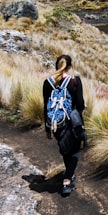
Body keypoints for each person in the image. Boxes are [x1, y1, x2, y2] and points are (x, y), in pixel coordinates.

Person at [43, 54, 86, 196]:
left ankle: (69, 174)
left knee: (65, 149)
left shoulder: (47, 83)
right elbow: (80, 105)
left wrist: (47, 128)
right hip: (72, 123)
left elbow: (45, 106)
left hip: (56, 123)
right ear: (69, 67)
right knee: (74, 151)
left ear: (57, 66)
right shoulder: (75, 81)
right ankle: (67, 180)